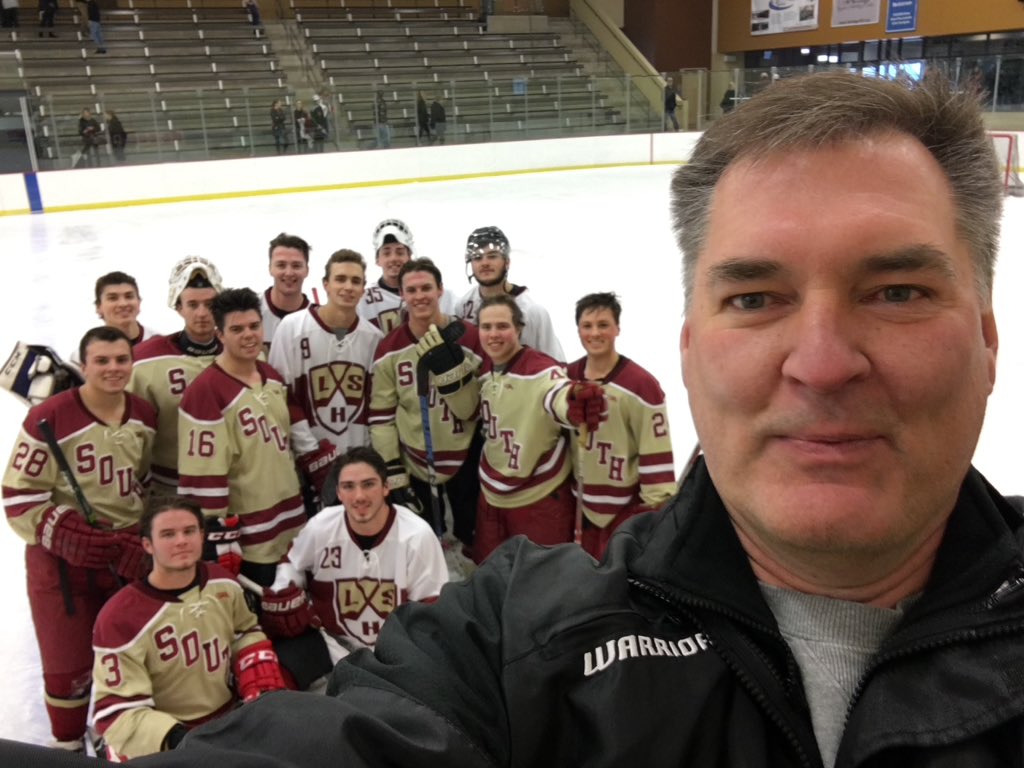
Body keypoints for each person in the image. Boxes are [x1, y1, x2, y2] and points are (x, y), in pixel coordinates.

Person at [4, 70, 1020, 768]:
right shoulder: (528, 637)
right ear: (693, 338)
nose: (822, 361)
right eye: (754, 297)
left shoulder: (548, 385)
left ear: (987, 338)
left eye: (895, 290)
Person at [2, 326, 156, 752]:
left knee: (128, 659)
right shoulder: (47, 418)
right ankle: (67, 744)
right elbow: (17, 496)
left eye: (121, 360)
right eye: (102, 361)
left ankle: (120, 742)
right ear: (83, 365)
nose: (112, 368)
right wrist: (67, 532)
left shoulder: (144, 414)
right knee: (68, 668)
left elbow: (144, 484)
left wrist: (140, 541)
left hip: (123, 556)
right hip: (62, 566)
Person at [92, 498, 285, 760]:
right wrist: (179, 740)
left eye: (189, 531)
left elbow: (245, 632)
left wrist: (259, 679)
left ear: (202, 536)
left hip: (227, 723)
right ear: (147, 545)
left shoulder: (223, 583)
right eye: (168, 534)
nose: (181, 541)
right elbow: (116, 711)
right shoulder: (119, 617)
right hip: (165, 745)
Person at [260, 446, 447, 674]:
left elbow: (431, 611)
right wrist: (285, 589)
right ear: (338, 492)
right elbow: (292, 564)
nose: (359, 496)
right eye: (348, 487)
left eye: (368, 484)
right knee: (273, 670)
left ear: (386, 487)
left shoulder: (417, 535)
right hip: (333, 644)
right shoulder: (322, 527)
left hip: (397, 652)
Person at [177, 288, 306, 586]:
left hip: (293, 524)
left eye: (253, 326)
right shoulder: (205, 392)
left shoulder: (271, 375)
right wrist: (213, 530)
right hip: (250, 537)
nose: (248, 335)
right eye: (236, 329)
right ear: (219, 334)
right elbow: (202, 475)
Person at [473, 295, 604, 562]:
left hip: (538, 498)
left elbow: (557, 394)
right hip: (491, 494)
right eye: (486, 327)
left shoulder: (541, 369)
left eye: (502, 326)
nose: (493, 334)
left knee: (542, 581)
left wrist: (573, 402)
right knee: (491, 578)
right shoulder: (485, 368)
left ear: (519, 329)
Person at [369, 258, 483, 548]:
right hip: (415, 462)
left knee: (471, 539)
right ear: (403, 294)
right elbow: (382, 416)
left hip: (466, 456)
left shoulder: (471, 337)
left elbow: (478, 409)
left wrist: (453, 377)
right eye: (412, 289)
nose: (419, 296)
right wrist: (391, 468)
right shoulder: (389, 348)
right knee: (423, 546)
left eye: (426, 288)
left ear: (440, 290)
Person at [566, 292, 677, 559]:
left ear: (617, 328)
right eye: (587, 326)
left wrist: (654, 507)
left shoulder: (641, 385)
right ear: (578, 330)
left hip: (623, 507)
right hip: (577, 501)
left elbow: (655, 449)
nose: (595, 333)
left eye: (603, 325)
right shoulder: (567, 377)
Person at [268, 249, 383, 504]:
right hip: (304, 463)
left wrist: (366, 456)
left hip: (356, 463)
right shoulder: (291, 328)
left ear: (364, 288)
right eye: (340, 279)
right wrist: (311, 453)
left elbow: (374, 406)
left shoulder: (373, 338)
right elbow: (280, 396)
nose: (348, 287)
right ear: (326, 284)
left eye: (355, 281)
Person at [128, 256, 223, 502]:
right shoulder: (145, 362)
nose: (202, 313)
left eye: (209, 304)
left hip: (232, 484)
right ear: (178, 306)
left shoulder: (244, 353)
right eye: (192, 304)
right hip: (169, 490)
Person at [456, 225, 564, 360]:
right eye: (477, 257)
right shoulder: (464, 305)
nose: (485, 263)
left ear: (507, 262)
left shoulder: (532, 311)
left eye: (492, 256)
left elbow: (556, 365)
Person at [358, 218, 455, 334]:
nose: (393, 258)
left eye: (400, 252)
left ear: (409, 256)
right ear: (377, 260)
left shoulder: (443, 295)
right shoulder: (364, 300)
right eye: (386, 253)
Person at [258, 232, 311, 350]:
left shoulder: (317, 318)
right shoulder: (251, 310)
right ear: (270, 269)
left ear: (307, 270)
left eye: (296, 266)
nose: (289, 273)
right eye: (281, 265)